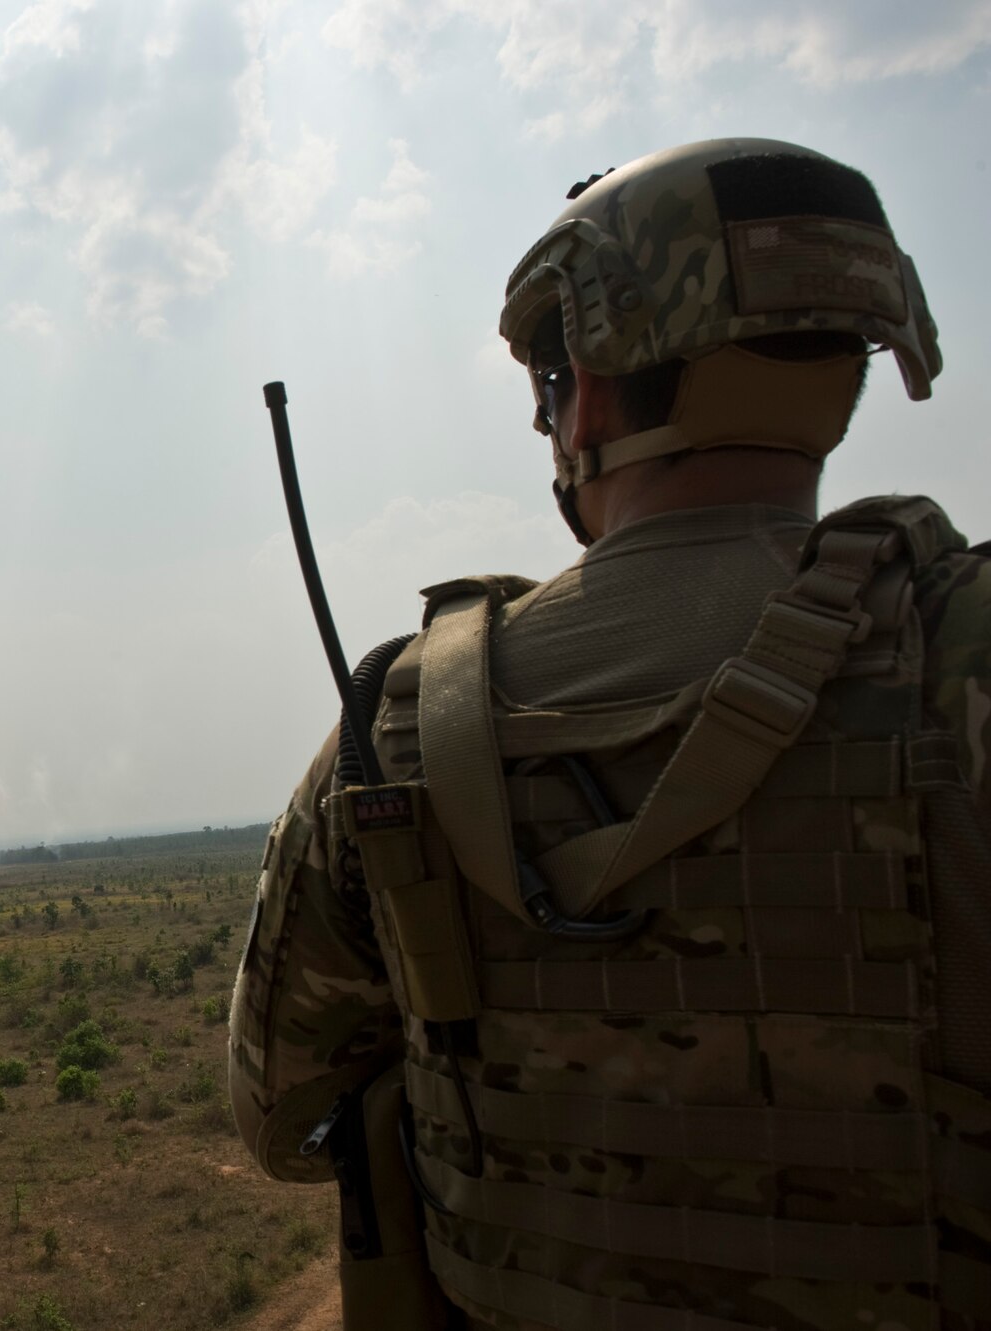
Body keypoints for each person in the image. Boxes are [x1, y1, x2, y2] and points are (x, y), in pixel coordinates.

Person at [228, 138, 991, 1330]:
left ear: (580, 385)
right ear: (845, 369)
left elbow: (280, 1113)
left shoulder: (400, 718)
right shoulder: (962, 651)